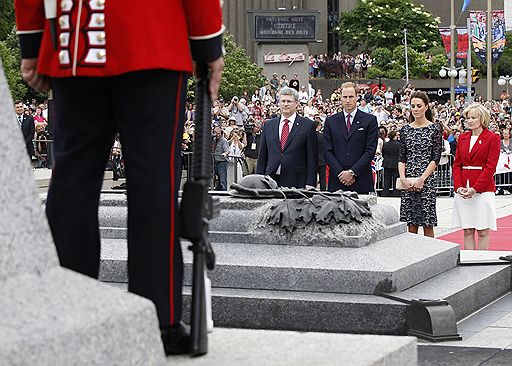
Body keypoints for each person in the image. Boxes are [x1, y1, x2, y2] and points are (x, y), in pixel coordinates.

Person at [15, 0, 224, 356]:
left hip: (76, 38)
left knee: (71, 184)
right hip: (152, 37)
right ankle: (158, 319)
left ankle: (65, 313)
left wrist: (34, 44)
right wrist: (207, 46)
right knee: (153, 184)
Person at [452, 104, 500, 250]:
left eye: (473, 117)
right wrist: (459, 186)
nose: (470, 121)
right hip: (464, 187)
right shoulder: (463, 138)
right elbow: (457, 164)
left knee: (483, 230)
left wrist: (475, 188)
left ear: (482, 118)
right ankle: (469, 261)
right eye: (468, 118)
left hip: (483, 189)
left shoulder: (492, 138)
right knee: (467, 230)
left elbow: (490, 167)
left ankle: (481, 262)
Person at [398, 91, 442, 237]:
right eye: (413, 106)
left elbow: (435, 158)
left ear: (426, 107)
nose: (415, 109)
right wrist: (403, 179)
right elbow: (402, 157)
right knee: (410, 224)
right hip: (409, 181)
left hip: (426, 180)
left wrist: (422, 179)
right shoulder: (405, 129)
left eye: (419, 106)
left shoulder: (435, 128)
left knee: (427, 222)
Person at [323, 82, 378, 194]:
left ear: (357, 97)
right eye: (345, 97)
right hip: (337, 180)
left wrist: (353, 172)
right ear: (340, 98)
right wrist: (340, 173)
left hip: (361, 179)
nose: (348, 100)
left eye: (351, 97)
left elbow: (370, 150)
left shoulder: (369, 120)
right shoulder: (331, 121)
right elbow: (327, 150)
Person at [257, 87, 318, 188]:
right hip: (270, 179)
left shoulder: (307, 125)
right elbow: (262, 155)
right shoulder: (268, 125)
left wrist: (310, 184)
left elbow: (312, 158)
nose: (285, 104)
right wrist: (259, 179)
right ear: (279, 103)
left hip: (297, 180)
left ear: (296, 103)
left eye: (289, 101)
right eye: (283, 101)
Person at [381, 130, 400, 197]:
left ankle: (385, 193)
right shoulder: (398, 145)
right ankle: (396, 193)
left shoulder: (385, 144)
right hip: (396, 164)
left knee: (386, 179)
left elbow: (383, 153)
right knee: (396, 179)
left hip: (387, 163)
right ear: (394, 136)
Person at [213, 125, 229, 191]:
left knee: (222, 179)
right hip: (215, 161)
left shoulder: (224, 141)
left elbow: (227, 150)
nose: (217, 134)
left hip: (222, 162)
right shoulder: (213, 140)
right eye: (215, 133)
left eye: (218, 133)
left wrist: (225, 154)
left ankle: (224, 193)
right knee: (218, 179)